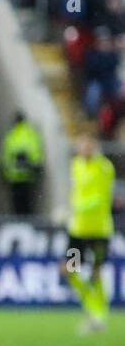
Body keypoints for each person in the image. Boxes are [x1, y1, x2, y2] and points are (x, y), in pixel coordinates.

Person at [60, 135, 115, 333]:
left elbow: (100, 198)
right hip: (78, 231)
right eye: (81, 146)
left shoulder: (104, 167)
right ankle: (93, 311)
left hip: (99, 230)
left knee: (95, 272)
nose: (83, 149)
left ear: (95, 147)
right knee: (70, 270)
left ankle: (98, 316)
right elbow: (76, 192)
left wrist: (77, 207)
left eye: (87, 146)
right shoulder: (76, 165)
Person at [1, 112, 44, 215]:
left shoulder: (11, 135)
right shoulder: (31, 134)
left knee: (17, 206)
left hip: (14, 177)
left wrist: (3, 173)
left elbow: (5, 157)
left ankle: (19, 221)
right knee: (29, 206)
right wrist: (35, 167)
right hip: (28, 176)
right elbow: (37, 154)